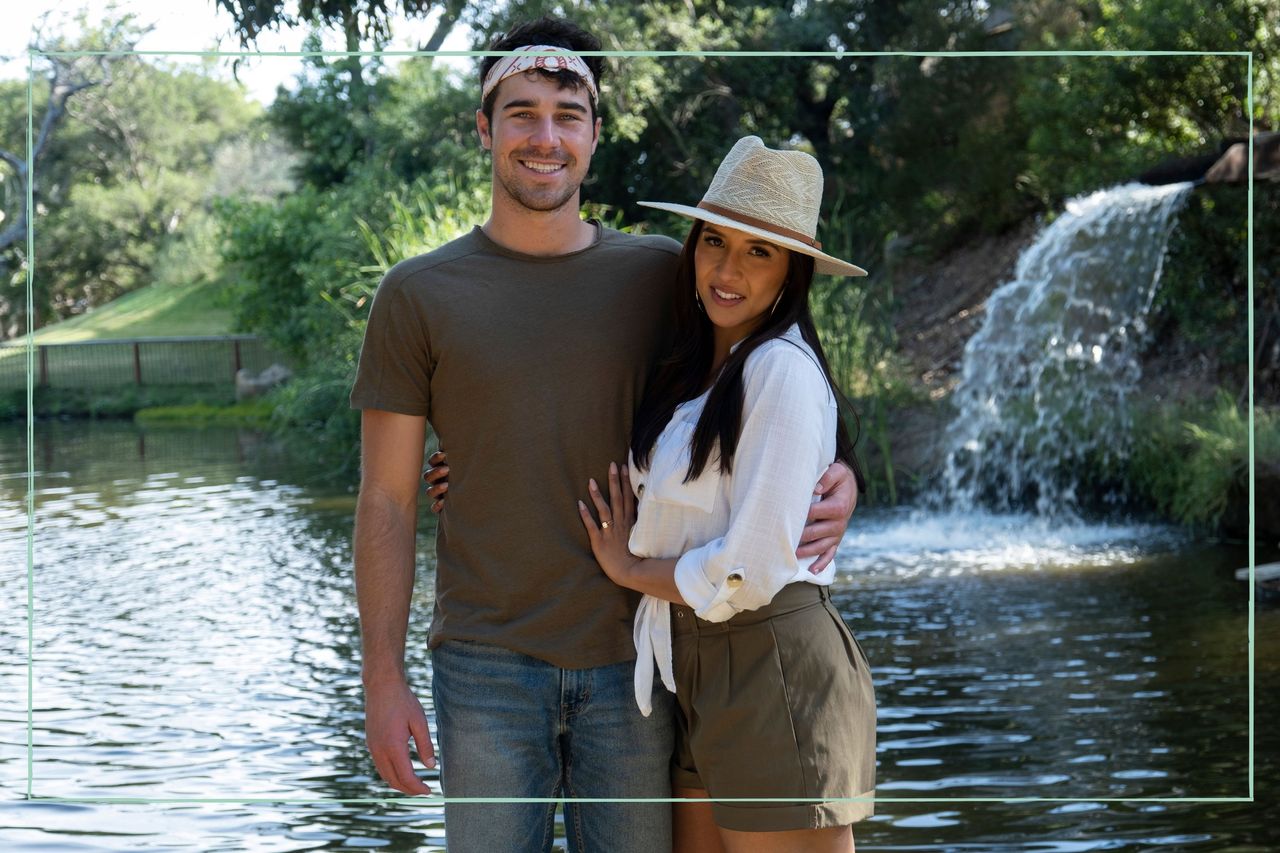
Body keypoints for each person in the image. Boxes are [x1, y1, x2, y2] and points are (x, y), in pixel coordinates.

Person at [350, 17, 860, 853]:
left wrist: (844, 473)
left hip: (642, 662)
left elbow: (781, 371)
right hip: (485, 668)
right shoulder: (418, 295)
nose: (544, 137)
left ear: (595, 131)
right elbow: (388, 497)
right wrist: (381, 680)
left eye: (567, 113)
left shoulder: (666, 272)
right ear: (484, 126)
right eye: (520, 112)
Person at [577, 136, 877, 853]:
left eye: (758, 252)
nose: (727, 268)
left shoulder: (781, 369)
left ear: (792, 272)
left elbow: (751, 565)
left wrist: (627, 570)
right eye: (715, 240)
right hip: (698, 669)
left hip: (769, 656)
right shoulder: (692, 372)